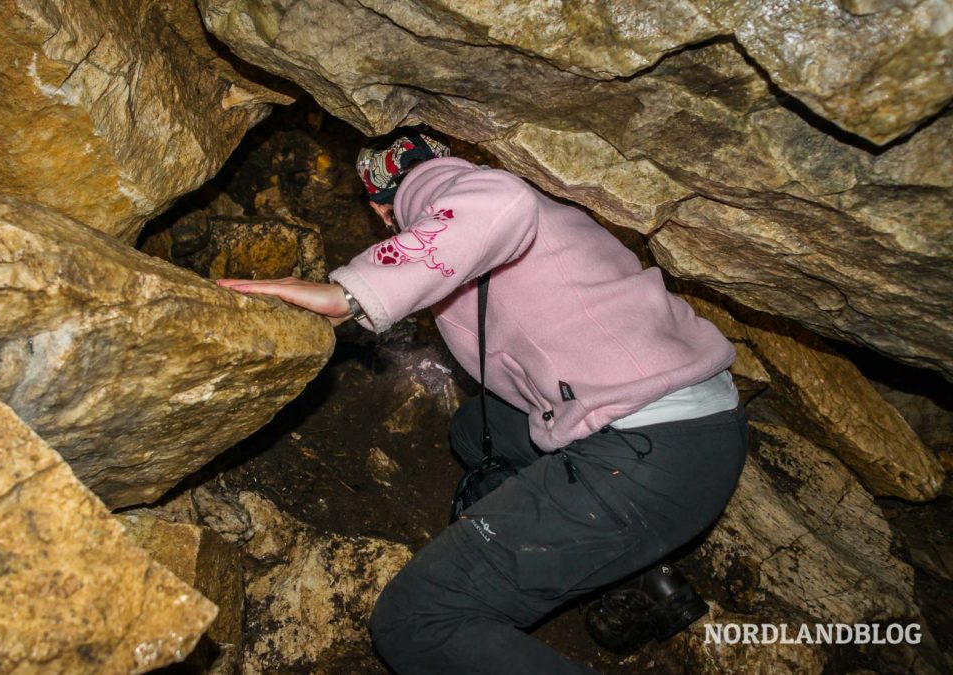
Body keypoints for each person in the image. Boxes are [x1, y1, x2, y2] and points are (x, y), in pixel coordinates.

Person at [218, 131, 748, 674]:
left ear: (383, 211)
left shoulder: (451, 191)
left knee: (418, 621)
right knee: (476, 428)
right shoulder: (542, 216)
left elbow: (497, 200)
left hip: (649, 453)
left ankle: (599, 540)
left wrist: (350, 293)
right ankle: (644, 572)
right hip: (706, 425)